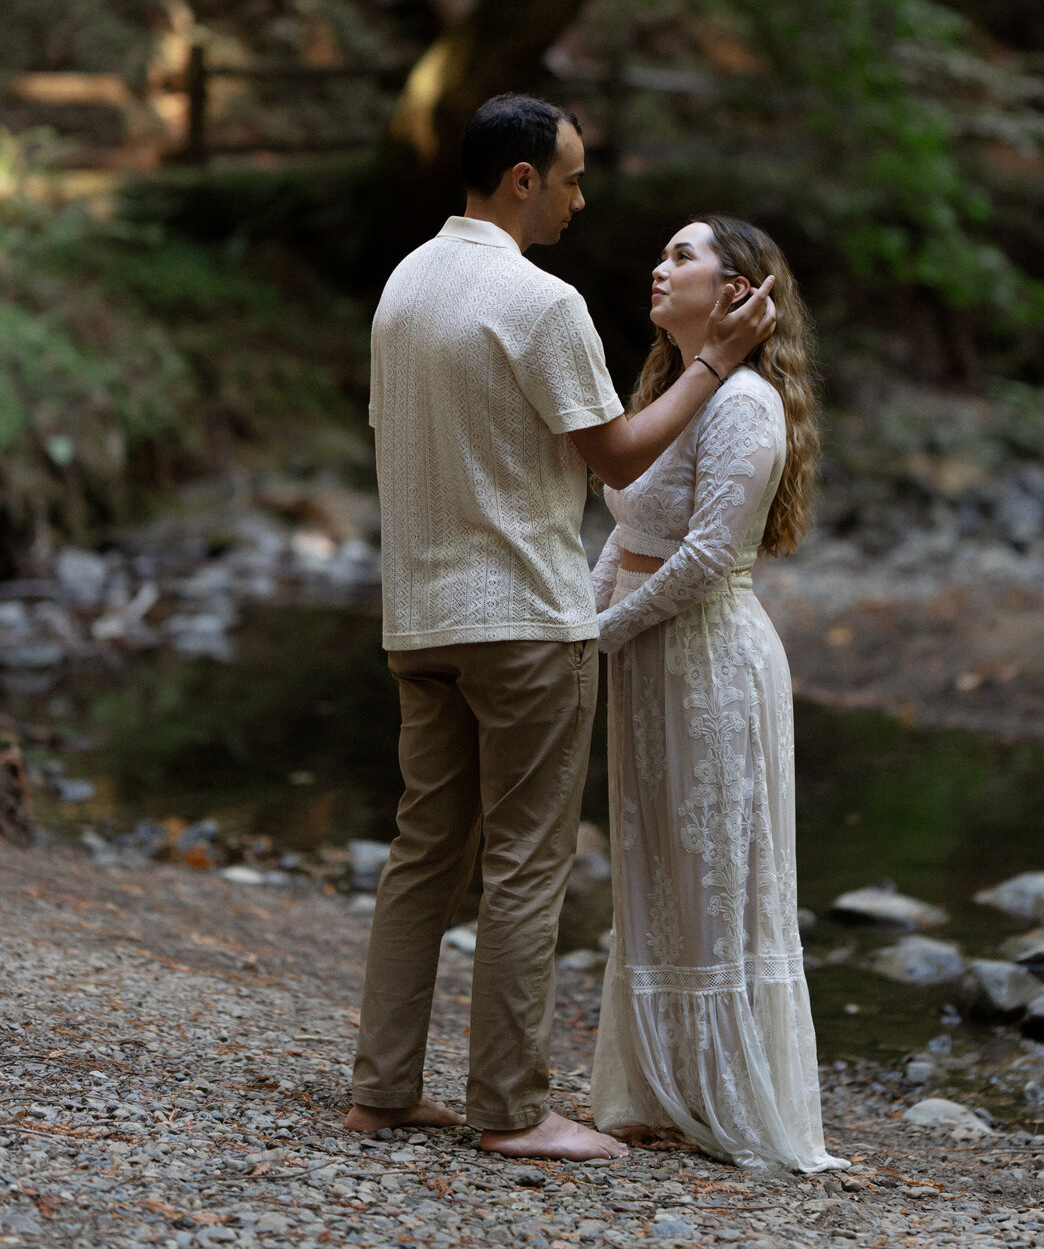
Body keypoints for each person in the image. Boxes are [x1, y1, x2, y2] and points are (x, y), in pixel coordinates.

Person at [344, 97, 776, 1162]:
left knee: (422, 853)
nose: (584, 199)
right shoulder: (541, 301)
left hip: (418, 615)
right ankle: (510, 1108)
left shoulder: (404, 286)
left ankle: (383, 1089)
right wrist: (715, 364)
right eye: (573, 178)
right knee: (528, 863)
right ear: (523, 179)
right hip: (524, 620)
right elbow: (619, 455)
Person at [590, 215, 847, 1172]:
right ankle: (663, 1092)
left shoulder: (743, 404)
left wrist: (596, 637)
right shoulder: (667, 388)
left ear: (740, 292)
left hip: (708, 665)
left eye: (682, 256)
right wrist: (580, 619)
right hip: (647, 658)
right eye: (660, 252)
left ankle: (732, 1101)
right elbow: (629, 526)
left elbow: (702, 559)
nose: (659, 268)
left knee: (713, 877)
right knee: (656, 870)